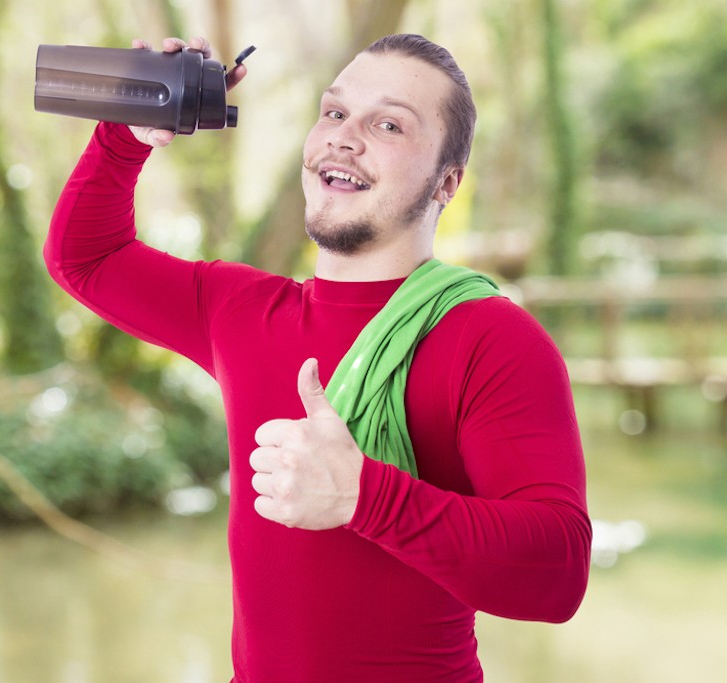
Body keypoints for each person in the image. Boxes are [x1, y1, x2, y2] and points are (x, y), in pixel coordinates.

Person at [44, 33, 590, 682]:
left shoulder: (491, 340)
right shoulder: (242, 311)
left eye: (387, 124)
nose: (343, 136)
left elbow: (557, 575)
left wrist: (367, 496)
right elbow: (87, 257)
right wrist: (124, 136)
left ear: (447, 181)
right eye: (334, 112)